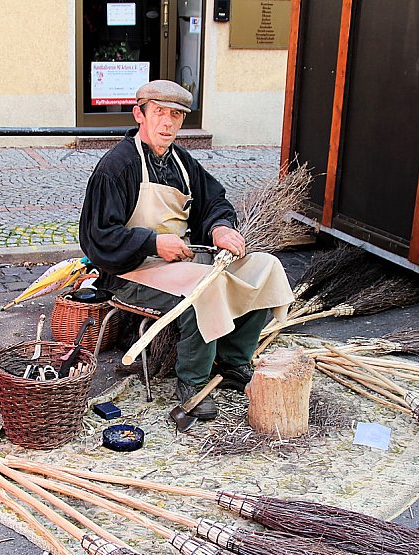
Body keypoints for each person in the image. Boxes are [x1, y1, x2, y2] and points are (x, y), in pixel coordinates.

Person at [80, 80, 293, 419]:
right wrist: (152, 243)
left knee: (262, 268)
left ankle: (233, 361)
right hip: (130, 269)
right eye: (159, 112)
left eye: (176, 115)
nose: (167, 123)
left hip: (183, 260)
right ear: (139, 114)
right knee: (204, 289)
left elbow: (214, 201)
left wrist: (220, 227)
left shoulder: (181, 162)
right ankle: (192, 383)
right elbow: (97, 237)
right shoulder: (117, 167)